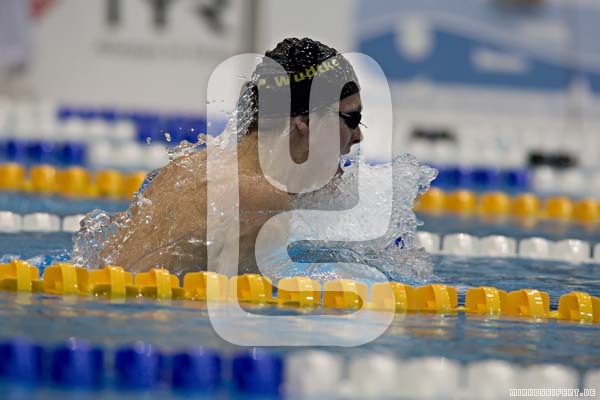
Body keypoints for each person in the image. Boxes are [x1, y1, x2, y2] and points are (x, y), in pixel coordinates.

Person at [97, 37, 364, 275]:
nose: (358, 135)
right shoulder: (262, 199)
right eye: (352, 119)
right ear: (306, 121)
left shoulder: (191, 166)